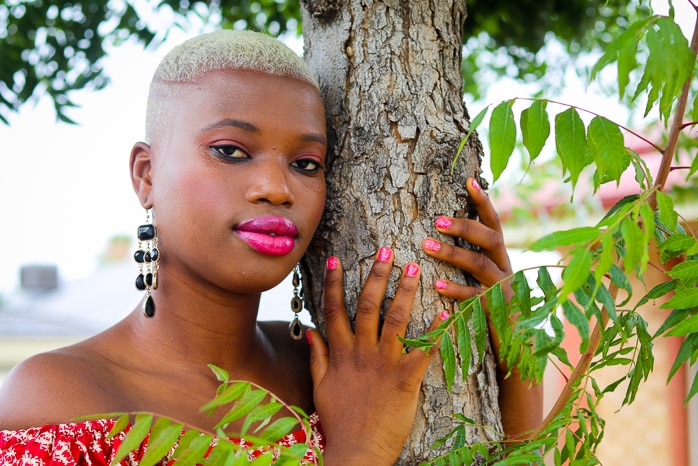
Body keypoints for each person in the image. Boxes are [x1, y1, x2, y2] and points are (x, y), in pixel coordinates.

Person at [0, 30, 542, 464]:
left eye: (307, 164)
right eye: (232, 151)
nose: (278, 188)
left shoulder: (336, 365)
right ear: (147, 174)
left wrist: (516, 370)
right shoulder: (57, 397)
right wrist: (359, 451)